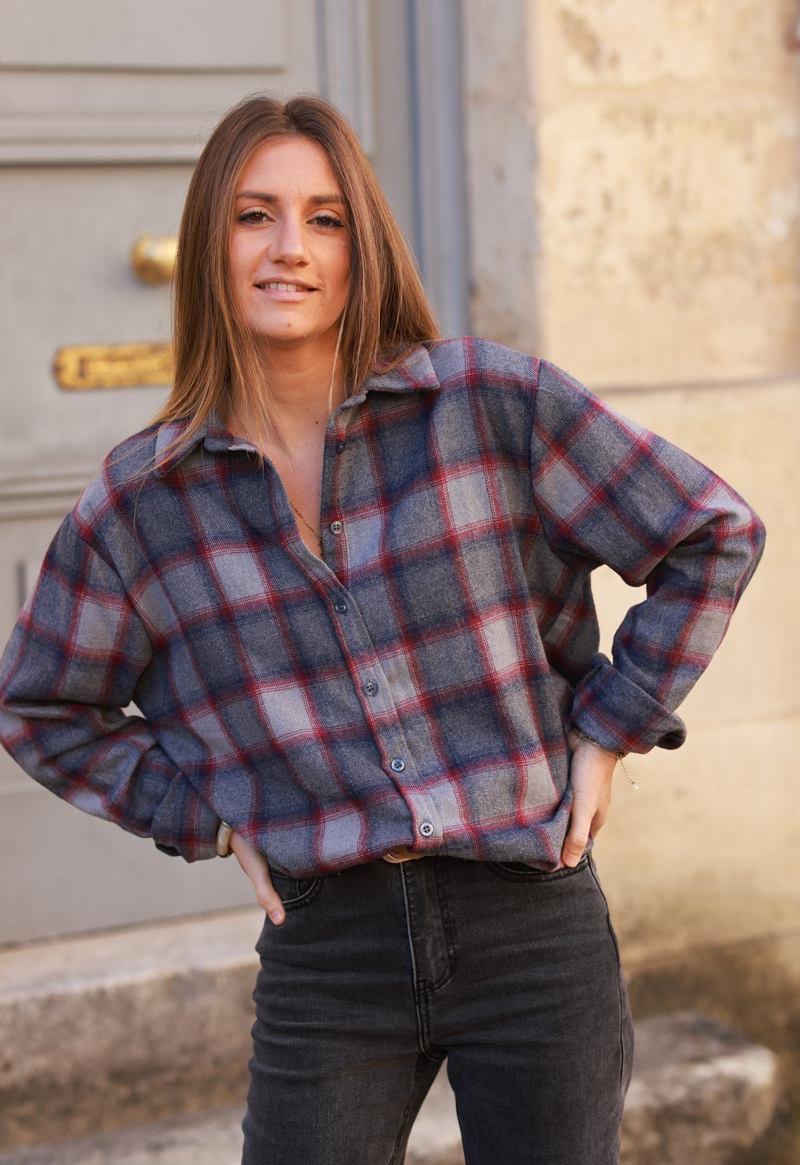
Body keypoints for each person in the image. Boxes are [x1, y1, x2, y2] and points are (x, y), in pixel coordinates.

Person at [0, 94, 765, 1165]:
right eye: (252, 215)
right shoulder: (145, 500)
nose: (287, 249)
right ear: (206, 243)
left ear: (363, 244)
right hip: (328, 948)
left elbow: (709, 533)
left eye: (324, 219)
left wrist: (610, 726)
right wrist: (206, 813)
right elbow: (41, 703)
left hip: (529, 915)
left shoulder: (487, 404)